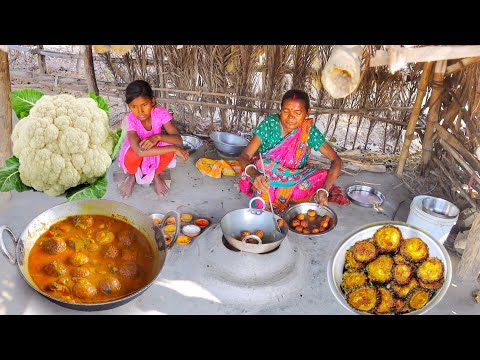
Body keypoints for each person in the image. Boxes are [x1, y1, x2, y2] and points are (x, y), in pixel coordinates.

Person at [238, 89, 345, 213]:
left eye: (297, 112)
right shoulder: (270, 125)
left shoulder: (308, 131)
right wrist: (255, 175)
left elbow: (336, 160)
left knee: (323, 176)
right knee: (265, 179)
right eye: (286, 111)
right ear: (280, 109)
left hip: (295, 176)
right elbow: (244, 156)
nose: (290, 117)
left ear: (307, 112)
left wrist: (325, 190)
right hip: (267, 175)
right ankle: (281, 198)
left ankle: (286, 196)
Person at [118, 80, 189, 198]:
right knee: (132, 154)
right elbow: (139, 151)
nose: (140, 111)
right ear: (129, 106)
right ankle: (131, 177)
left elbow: (178, 140)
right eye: (134, 107)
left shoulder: (160, 113)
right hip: (137, 153)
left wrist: (158, 137)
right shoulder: (130, 119)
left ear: (152, 101)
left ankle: (157, 175)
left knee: (169, 147)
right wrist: (174, 149)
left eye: (144, 105)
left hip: (154, 150)